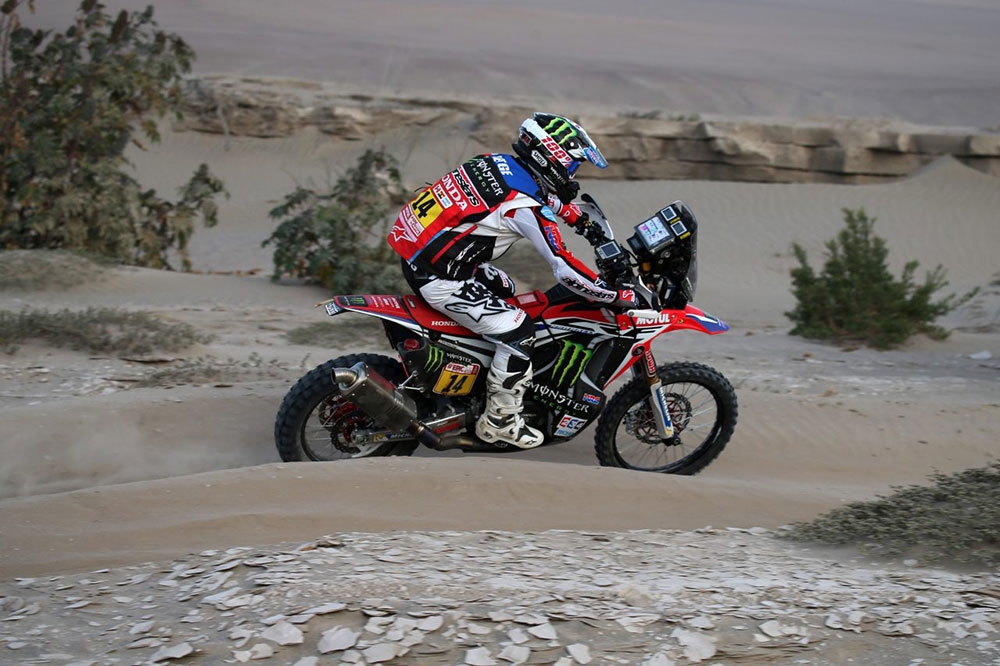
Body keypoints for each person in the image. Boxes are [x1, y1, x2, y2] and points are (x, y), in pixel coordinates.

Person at [387, 113, 638, 449]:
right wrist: (615, 295)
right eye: (572, 165)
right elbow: (564, 269)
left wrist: (582, 222)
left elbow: (542, 197)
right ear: (551, 158)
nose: (572, 175)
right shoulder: (526, 206)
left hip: (424, 254)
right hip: (441, 277)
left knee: (505, 288)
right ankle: (500, 420)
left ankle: (474, 371)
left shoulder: (496, 163)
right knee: (520, 331)